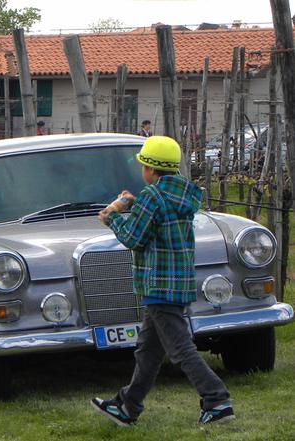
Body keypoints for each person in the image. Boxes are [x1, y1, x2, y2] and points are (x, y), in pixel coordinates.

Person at [92, 136, 233, 427]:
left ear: (151, 170)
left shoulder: (152, 197)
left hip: (157, 285)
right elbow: (153, 229)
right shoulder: (185, 195)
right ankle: (127, 406)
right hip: (178, 284)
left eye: (143, 165)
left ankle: (217, 399)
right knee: (148, 350)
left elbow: (134, 238)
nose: (142, 170)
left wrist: (112, 215)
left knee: (180, 349)